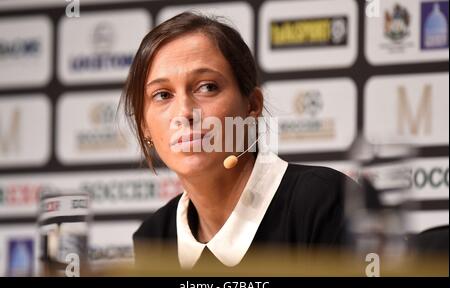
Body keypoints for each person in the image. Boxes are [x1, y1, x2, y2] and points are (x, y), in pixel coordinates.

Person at [122, 12, 356, 270]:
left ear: (252, 105)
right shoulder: (154, 239)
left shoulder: (326, 202)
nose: (184, 113)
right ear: (145, 126)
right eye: (163, 94)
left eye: (207, 87)